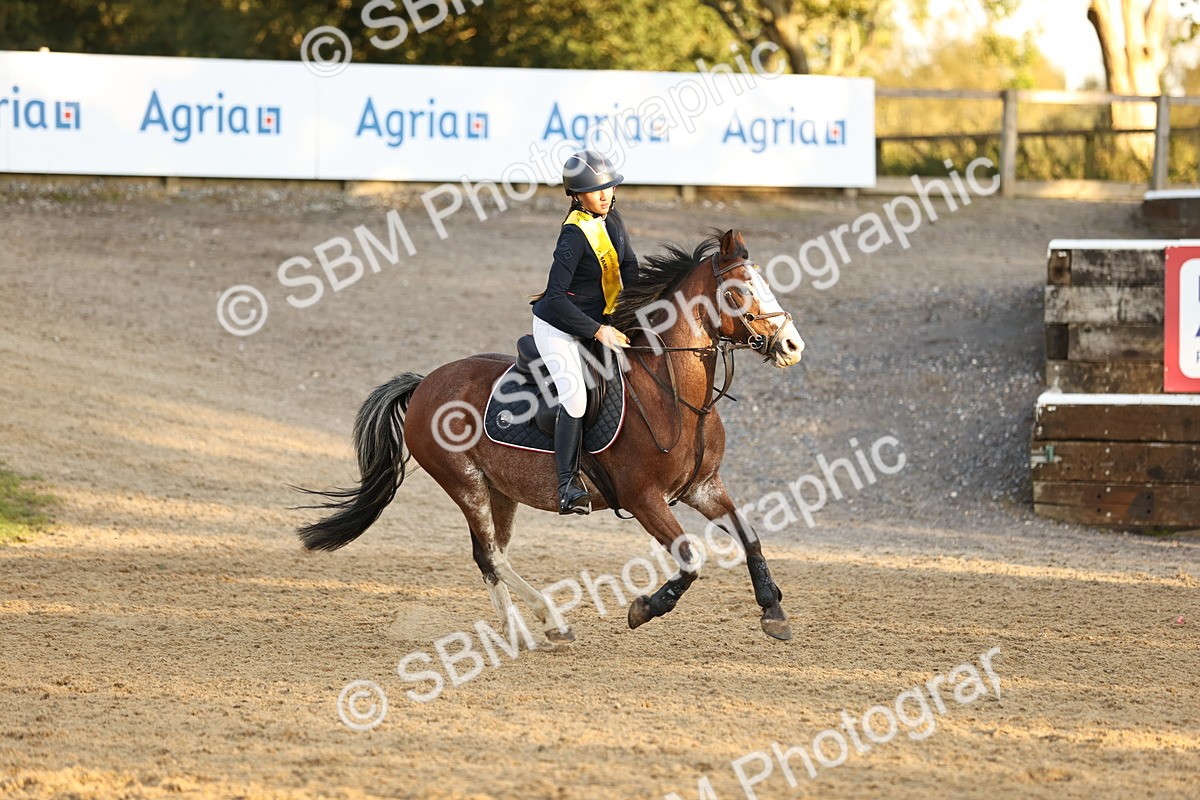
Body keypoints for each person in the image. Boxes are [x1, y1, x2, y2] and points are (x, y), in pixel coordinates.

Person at [531, 149, 638, 515]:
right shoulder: (573, 236)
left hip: (602, 320)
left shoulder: (613, 218)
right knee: (575, 397)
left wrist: (638, 311)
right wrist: (597, 331)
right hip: (559, 327)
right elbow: (555, 297)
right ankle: (567, 485)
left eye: (609, 187)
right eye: (595, 191)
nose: (605, 195)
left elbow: (630, 266)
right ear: (577, 196)